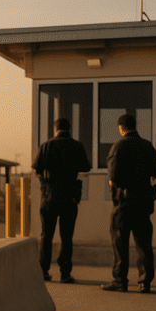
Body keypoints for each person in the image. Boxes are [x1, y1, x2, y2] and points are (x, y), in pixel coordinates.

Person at [101, 114, 156, 293]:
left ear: (120, 128)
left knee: (120, 241)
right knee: (143, 243)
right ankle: (145, 281)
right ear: (136, 126)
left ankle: (120, 280)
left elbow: (112, 178)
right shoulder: (147, 146)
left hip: (124, 202)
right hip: (143, 201)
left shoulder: (118, 147)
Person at [32, 118, 91, 283]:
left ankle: (43, 271)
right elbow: (86, 166)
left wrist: (44, 183)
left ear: (55, 128)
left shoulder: (46, 146)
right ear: (69, 128)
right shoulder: (76, 146)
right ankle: (65, 273)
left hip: (49, 196)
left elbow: (36, 167)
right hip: (69, 197)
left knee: (46, 235)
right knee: (66, 236)